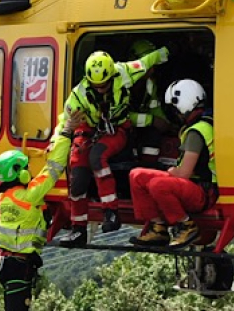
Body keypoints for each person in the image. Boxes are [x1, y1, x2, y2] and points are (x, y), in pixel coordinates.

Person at [52, 46, 170, 248]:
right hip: (89, 130)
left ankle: (111, 212)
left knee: (97, 157)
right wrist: (56, 139)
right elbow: (64, 121)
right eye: (96, 86)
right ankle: (78, 229)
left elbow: (146, 62)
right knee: (78, 176)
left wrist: (166, 52)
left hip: (117, 128)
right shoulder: (78, 95)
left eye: (104, 85)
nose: (100, 89)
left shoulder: (124, 72)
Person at [128, 79, 217, 249]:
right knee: (136, 175)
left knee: (158, 184)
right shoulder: (196, 126)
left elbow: (184, 173)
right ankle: (158, 228)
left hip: (203, 192)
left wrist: (169, 170)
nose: (175, 115)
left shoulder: (197, 132)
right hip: (191, 186)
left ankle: (186, 225)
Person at [0, 141, 70, 311]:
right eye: (27, 168)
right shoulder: (30, 196)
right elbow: (53, 170)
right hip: (19, 266)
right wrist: (64, 138)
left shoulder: (4, 197)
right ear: (21, 174)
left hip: (5, 264)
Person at [126, 39, 174, 163]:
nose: (152, 70)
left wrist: (167, 124)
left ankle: (148, 167)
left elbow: (155, 108)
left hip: (139, 128)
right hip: (120, 131)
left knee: (153, 135)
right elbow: (118, 117)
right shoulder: (120, 85)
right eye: (148, 66)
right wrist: (151, 120)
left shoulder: (149, 83)